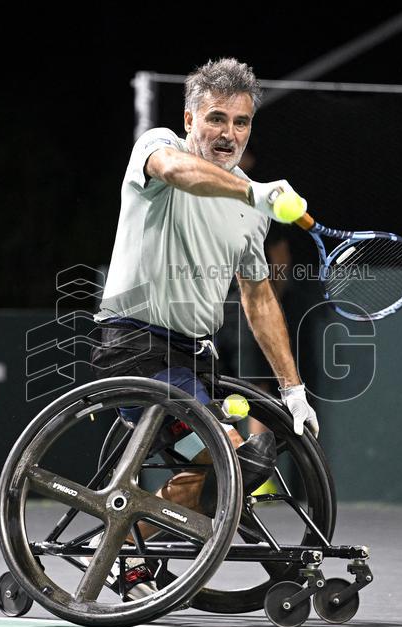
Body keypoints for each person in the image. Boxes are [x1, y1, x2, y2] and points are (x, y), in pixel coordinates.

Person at [90, 58, 318, 598]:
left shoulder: (252, 206)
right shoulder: (159, 146)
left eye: (241, 123)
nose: (228, 134)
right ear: (190, 118)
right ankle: (127, 557)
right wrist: (253, 192)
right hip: (134, 344)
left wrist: (294, 388)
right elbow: (176, 170)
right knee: (234, 454)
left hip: (195, 355)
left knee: (243, 463)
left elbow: (258, 298)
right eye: (216, 118)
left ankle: (133, 545)